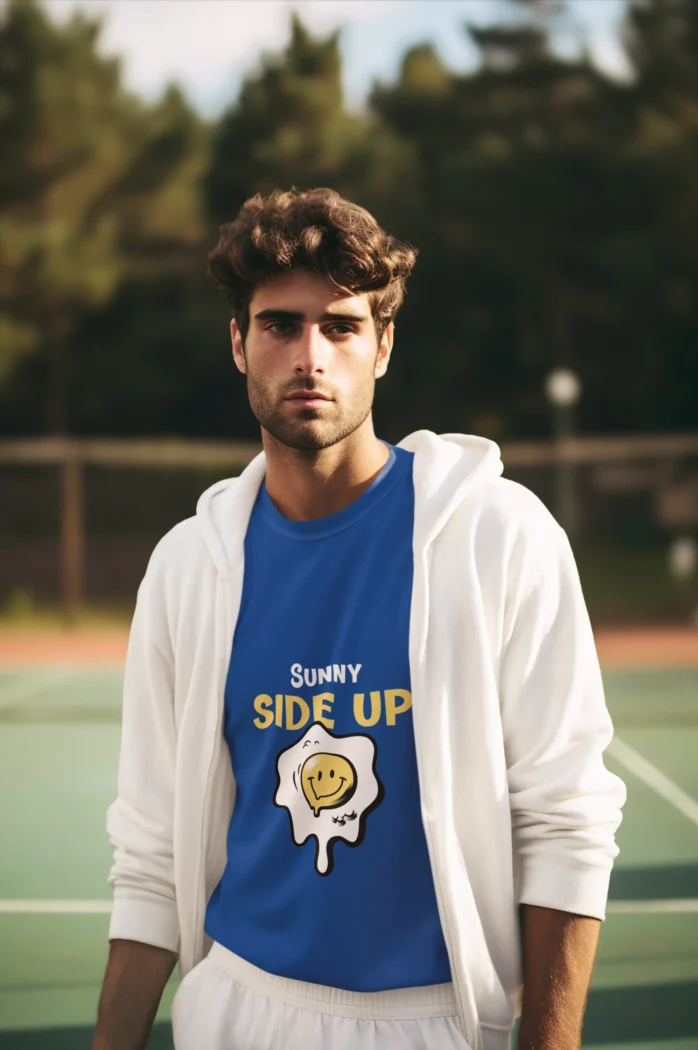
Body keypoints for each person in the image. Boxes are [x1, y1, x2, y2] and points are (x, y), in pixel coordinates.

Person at [92, 187, 625, 1050]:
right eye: (280, 325)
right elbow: (152, 853)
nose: (311, 355)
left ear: (383, 346)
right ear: (239, 343)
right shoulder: (188, 569)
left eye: (340, 326)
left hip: (436, 1022)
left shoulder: (497, 534)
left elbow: (567, 818)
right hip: (236, 1010)